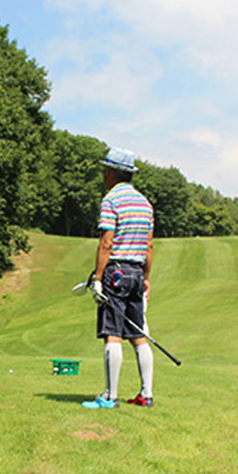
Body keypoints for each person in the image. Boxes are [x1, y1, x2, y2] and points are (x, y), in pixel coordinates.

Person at [83, 148, 156, 409]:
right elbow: (148, 247)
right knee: (139, 335)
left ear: (113, 173)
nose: (103, 174)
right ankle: (145, 395)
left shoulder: (111, 200)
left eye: (105, 170)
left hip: (116, 273)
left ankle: (110, 397)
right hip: (137, 273)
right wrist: (146, 278)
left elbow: (106, 242)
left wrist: (98, 278)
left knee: (112, 333)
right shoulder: (145, 204)